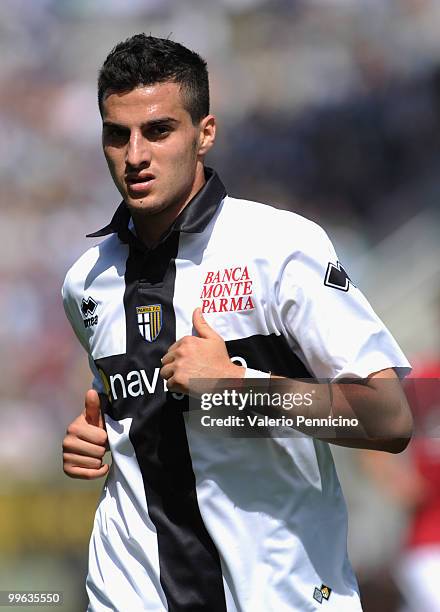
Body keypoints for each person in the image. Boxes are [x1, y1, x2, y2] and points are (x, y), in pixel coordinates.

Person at [61, 34, 413, 611]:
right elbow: (129, 416)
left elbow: (391, 414)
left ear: (205, 133)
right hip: (130, 593)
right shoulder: (84, 281)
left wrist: (240, 392)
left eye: (158, 130)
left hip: (281, 594)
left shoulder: (280, 247)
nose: (135, 154)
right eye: (116, 134)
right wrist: (92, 439)